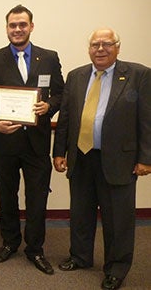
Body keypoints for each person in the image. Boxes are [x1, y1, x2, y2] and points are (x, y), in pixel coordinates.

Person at [53, 28, 151, 290]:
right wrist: (59, 152)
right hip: (81, 156)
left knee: (118, 218)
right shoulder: (76, 76)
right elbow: (65, 118)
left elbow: (147, 120)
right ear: (89, 49)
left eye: (107, 43)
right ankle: (80, 256)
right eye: (95, 44)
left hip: (119, 160)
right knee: (80, 212)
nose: (100, 49)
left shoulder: (138, 75)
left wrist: (146, 158)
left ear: (117, 47)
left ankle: (117, 268)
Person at [0, 5, 64, 274]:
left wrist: (48, 106)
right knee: (7, 196)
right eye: (12, 25)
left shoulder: (49, 57)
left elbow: (61, 93)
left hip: (37, 144)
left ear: (31, 26)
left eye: (22, 25)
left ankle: (35, 249)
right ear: (6, 28)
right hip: (4, 142)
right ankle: (10, 242)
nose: (17, 29)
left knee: (37, 200)